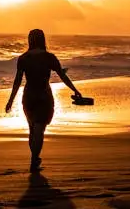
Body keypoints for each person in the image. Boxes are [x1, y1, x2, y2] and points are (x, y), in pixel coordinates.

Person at [5, 28, 82, 173]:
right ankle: (35, 158)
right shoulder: (49, 57)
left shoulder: (23, 58)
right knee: (40, 129)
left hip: (28, 96)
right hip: (44, 95)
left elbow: (17, 82)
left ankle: (34, 157)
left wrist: (10, 101)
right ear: (42, 40)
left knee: (32, 129)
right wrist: (75, 90)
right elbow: (63, 76)